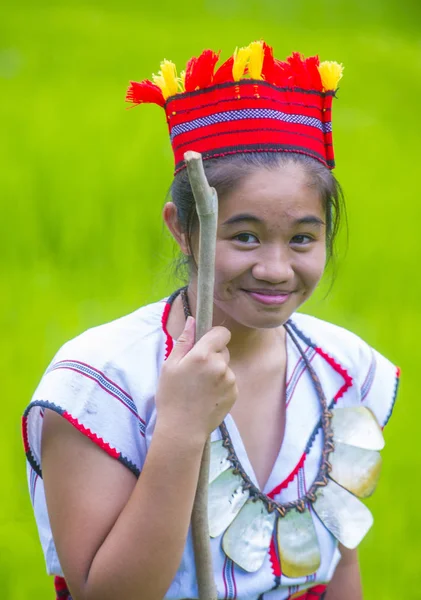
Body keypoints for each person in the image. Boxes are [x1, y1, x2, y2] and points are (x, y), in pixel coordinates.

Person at [22, 41, 400, 600]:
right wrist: (179, 429)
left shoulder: (344, 369)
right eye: (244, 236)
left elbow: (339, 562)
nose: (275, 269)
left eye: (302, 238)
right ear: (183, 228)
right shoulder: (99, 384)